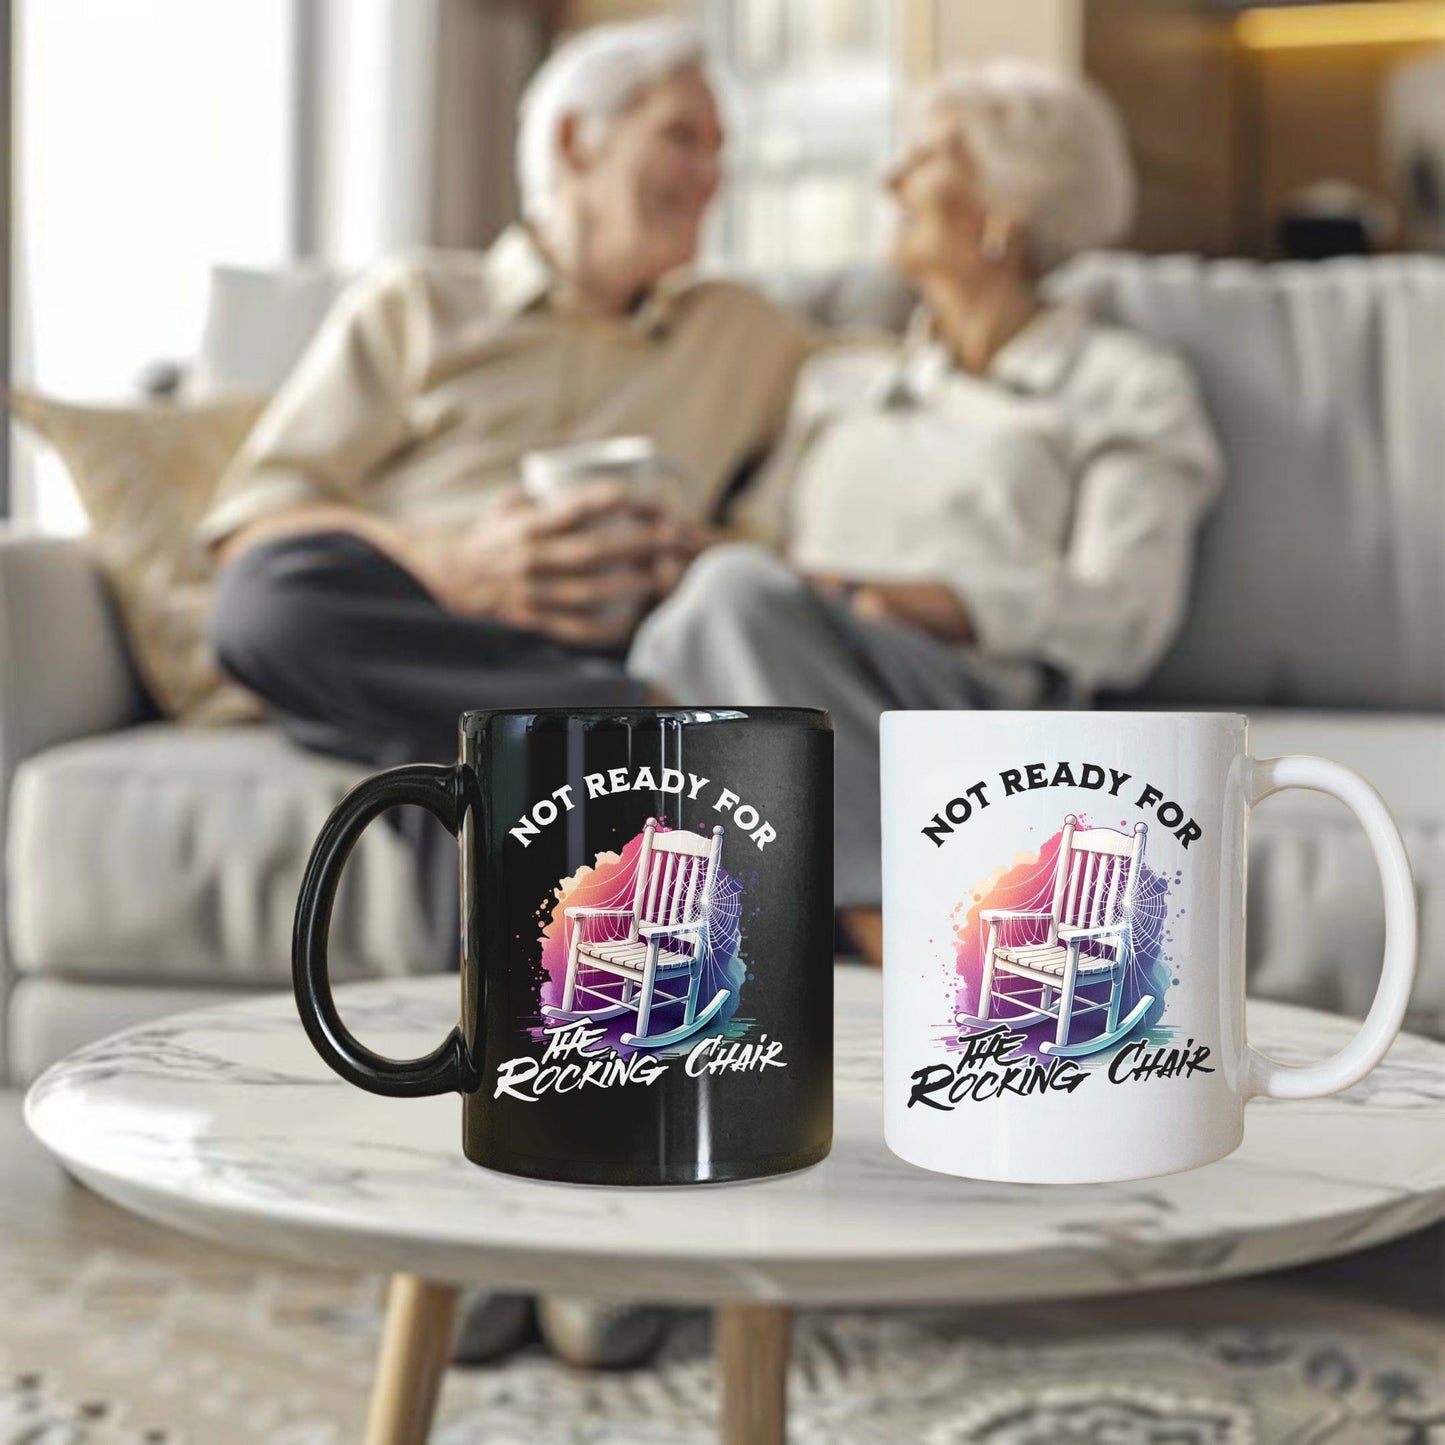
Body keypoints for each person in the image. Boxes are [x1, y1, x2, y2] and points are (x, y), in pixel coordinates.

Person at [630, 62, 1225, 963]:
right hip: (793, 659)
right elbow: (759, 547)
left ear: (1005, 208)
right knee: (705, 614)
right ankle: (881, 907)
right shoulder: (841, 381)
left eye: (926, 157)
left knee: (727, 613)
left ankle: (885, 924)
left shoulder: (1125, 385)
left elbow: (1124, 612)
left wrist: (917, 598)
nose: (889, 181)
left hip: (971, 699)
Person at [206, 16, 810, 770]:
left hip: (622, 639)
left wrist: (705, 553)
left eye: (719, 151)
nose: (710, 176)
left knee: (463, 750)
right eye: (682, 138)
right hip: (431, 630)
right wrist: (449, 563)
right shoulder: (418, 300)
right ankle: (629, 728)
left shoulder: (745, 333)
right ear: (573, 142)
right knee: (264, 608)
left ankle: (550, 737)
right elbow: (252, 531)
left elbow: (887, 402)